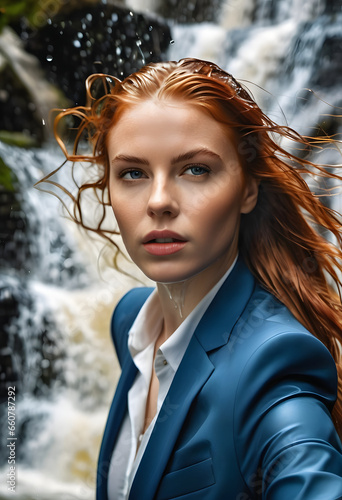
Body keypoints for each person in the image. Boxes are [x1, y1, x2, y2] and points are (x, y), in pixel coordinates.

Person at [41, 58, 342, 499]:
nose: (159, 201)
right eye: (133, 174)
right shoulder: (130, 321)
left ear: (248, 189)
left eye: (195, 169)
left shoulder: (275, 364)